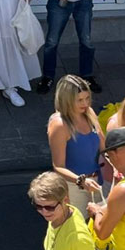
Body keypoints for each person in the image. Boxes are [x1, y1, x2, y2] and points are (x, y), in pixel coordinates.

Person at [47, 76, 106, 217]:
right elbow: (58, 166)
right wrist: (81, 181)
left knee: (101, 222)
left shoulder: (89, 113)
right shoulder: (59, 125)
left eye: (87, 98)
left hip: (97, 180)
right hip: (74, 187)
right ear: (66, 99)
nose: (85, 103)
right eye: (79, 100)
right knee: (78, 224)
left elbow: (104, 148)